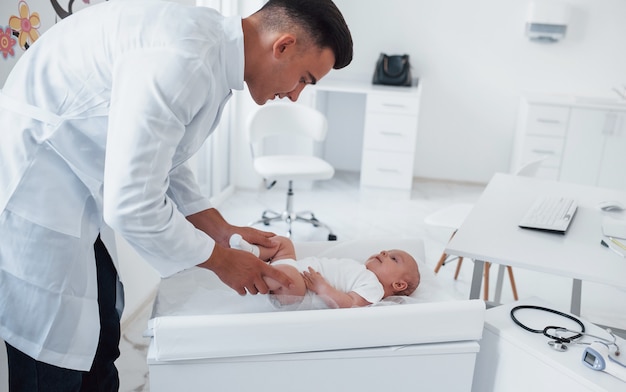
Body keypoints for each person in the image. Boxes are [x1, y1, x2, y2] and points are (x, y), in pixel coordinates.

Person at [0, 0, 353, 390]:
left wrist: (217, 227)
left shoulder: (209, 49)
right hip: (39, 190)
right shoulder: (185, 59)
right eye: (304, 79)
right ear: (283, 46)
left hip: (77, 183)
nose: (295, 95)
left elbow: (163, 154)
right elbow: (132, 203)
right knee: (54, 361)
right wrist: (221, 260)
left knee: (100, 335)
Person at [231, 235, 421, 309]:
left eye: (393, 258)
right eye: (386, 251)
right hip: (294, 268)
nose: (384, 252)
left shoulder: (374, 288)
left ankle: (253, 268)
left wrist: (322, 288)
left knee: (286, 275)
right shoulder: (360, 268)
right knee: (284, 243)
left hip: (299, 289)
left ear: (398, 285)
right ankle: (253, 252)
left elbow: (351, 305)